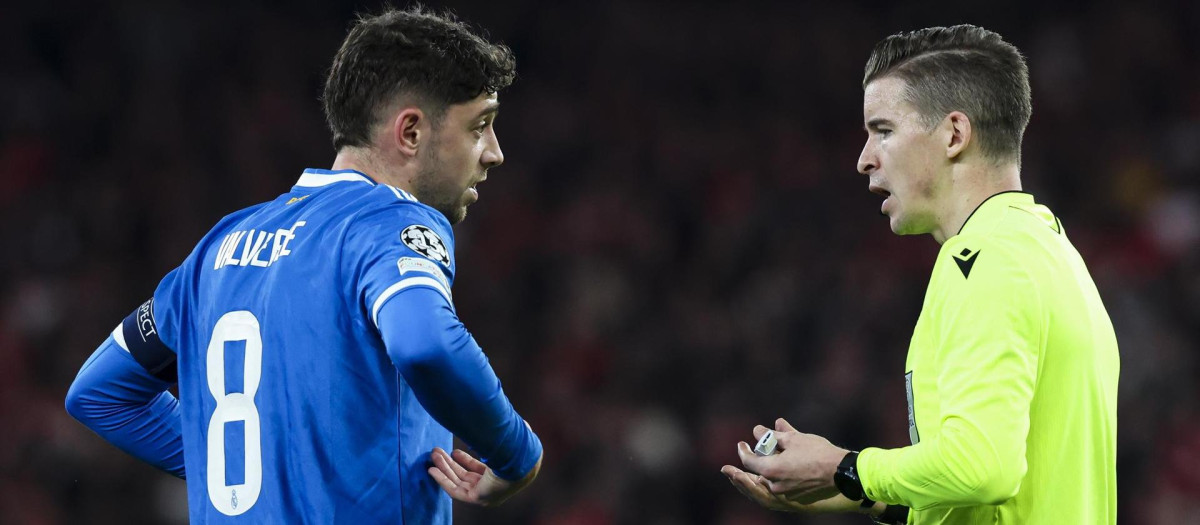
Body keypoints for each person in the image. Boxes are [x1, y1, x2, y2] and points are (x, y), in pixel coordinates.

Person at [64, 7, 542, 523]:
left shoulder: (217, 249)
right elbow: (424, 341)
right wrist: (517, 454)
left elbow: (100, 393)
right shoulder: (390, 223)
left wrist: (238, 462)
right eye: (481, 126)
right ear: (410, 133)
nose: (494, 153)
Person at [722, 24, 1119, 524]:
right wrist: (856, 489)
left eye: (883, 130)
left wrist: (848, 468)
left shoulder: (982, 260)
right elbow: (997, 488)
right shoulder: (1053, 251)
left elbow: (984, 468)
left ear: (954, 134)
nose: (864, 159)